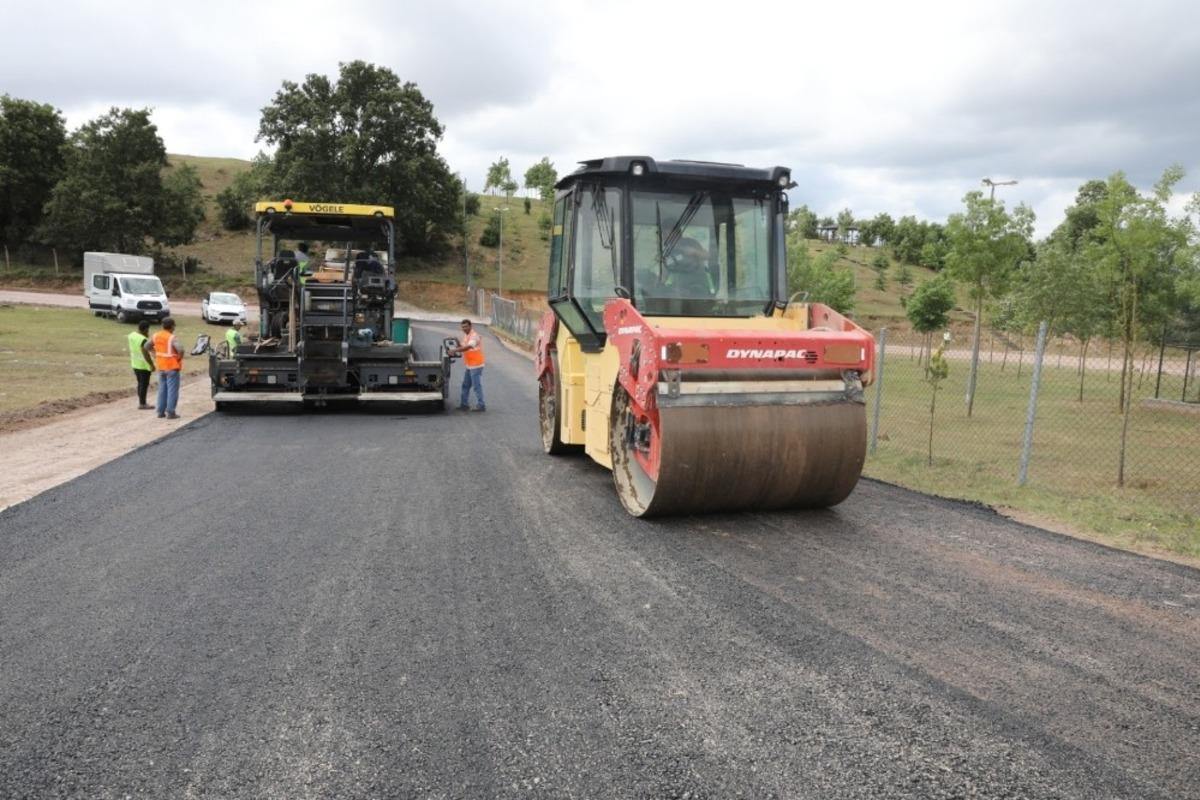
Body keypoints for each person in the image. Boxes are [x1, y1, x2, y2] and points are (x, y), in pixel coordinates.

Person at [152, 317, 184, 419]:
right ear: (172, 327)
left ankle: (160, 412)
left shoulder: (156, 336)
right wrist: (178, 359)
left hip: (161, 366)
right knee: (172, 390)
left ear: (162, 326)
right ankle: (171, 412)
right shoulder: (172, 337)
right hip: (172, 367)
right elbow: (181, 350)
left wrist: (155, 354)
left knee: (162, 390)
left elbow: (147, 346)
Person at [454, 319, 486, 412]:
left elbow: (468, 347)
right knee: (465, 385)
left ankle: (481, 405)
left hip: (476, 365)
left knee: (476, 386)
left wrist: (455, 350)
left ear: (470, 326)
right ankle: (464, 405)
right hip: (469, 365)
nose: (464, 328)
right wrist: (456, 341)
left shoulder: (474, 336)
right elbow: (462, 346)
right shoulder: (467, 335)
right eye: (463, 327)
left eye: (466, 326)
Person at [128, 319, 155, 409]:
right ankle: (142, 403)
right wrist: (151, 364)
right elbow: (145, 353)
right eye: (148, 330)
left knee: (140, 383)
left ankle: (141, 401)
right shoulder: (143, 340)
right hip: (143, 365)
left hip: (135, 363)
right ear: (146, 329)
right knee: (144, 384)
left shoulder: (132, 335)